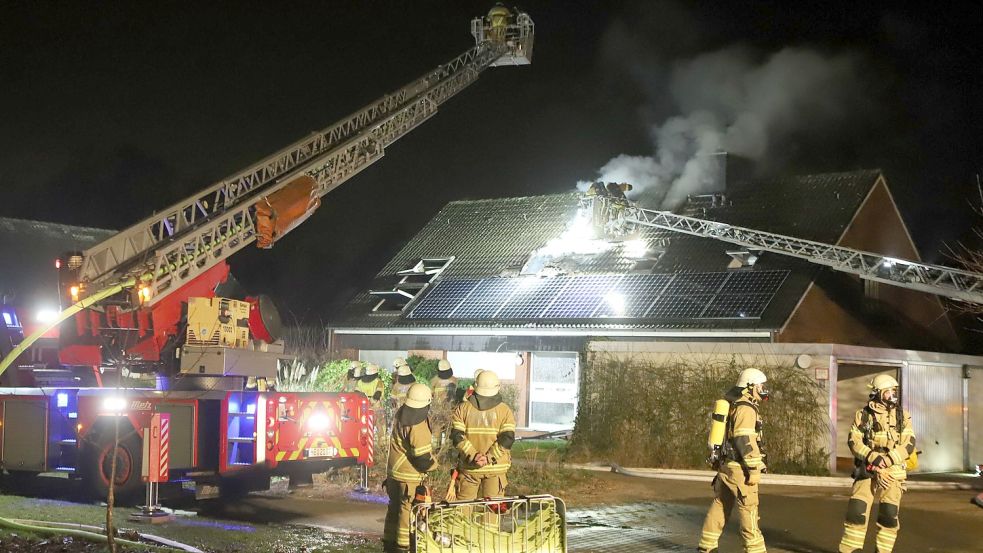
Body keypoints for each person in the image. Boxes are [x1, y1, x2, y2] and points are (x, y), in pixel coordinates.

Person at [838, 374, 915, 553]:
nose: (892, 395)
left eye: (894, 391)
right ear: (878, 393)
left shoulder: (903, 416)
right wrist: (875, 459)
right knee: (857, 511)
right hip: (868, 468)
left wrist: (887, 461)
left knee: (889, 514)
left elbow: (909, 444)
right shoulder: (863, 415)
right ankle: (849, 550)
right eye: (888, 392)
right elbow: (854, 442)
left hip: (893, 472)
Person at [698, 368, 769, 553]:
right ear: (751, 386)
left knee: (720, 505)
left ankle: (706, 546)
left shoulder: (733, 404)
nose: (764, 390)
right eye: (761, 386)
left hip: (727, 466)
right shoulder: (746, 408)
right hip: (740, 469)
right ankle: (755, 550)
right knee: (749, 509)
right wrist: (753, 469)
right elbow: (744, 440)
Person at [383, 383, 438, 553]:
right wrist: (435, 465)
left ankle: (389, 543)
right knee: (406, 512)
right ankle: (403, 546)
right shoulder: (418, 423)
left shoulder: (401, 413)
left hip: (393, 474)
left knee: (394, 508)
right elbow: (422, 459)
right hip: (409, 477)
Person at [451, 370, 515, 500]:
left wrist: (474, 455)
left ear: (475, 386)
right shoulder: (505, 411)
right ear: (497, 387)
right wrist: (488, 458)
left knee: (463, 509)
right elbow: (507, 439)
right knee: (493, 509)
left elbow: (457, 437)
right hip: (495, 468)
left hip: (469, 468)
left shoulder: (462, 409)